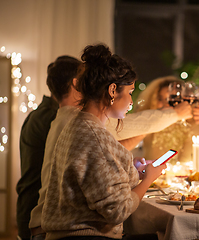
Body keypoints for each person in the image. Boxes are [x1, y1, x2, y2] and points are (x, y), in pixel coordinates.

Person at [41, 44, 166, 239]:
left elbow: (92, 175)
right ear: (113, 90)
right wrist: (149, 178)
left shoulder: (77, 124)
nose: (132, 102)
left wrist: (130, 169)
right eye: (130, 92)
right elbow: (118, 210)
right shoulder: (94, 136)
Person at [16, 56, 81, 240]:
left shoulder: (42, 114)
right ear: (75, 84)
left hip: (32, 210)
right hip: (36, 213)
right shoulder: (54, 118)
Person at [127, 76, 199, 166]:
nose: (166, 104)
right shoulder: (150, 123)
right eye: (161, 99)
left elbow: (186, 159)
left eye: (172, 98)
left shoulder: (192, 124)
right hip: (150, 175)